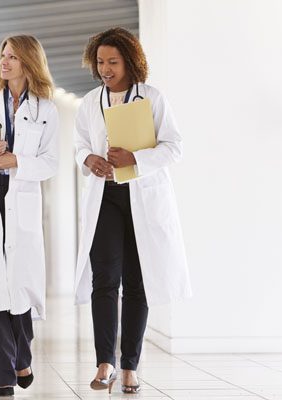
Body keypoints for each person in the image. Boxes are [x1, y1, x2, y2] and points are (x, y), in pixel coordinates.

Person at [73, 27, 192, 394]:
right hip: (105, 197)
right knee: (104, 280)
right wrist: (88, 158)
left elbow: (174, 147)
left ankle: (130, 367)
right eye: (100, 62)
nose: (105, 69)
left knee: (137, 282)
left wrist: (135, 159)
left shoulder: (152, 98)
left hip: (141, 196)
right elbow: (79, 144)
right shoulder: (91, 101)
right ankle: (104, 362)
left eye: (112, 61)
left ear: (130, 61)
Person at [0, 35, 58, 398]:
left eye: (13, 57)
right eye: (3, 55)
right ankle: (3, 376)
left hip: (21, 201)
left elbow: (50, 163)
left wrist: (18, 160)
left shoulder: (45, 108)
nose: (5, 62)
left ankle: (21, 356)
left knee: (18, 288)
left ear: (29, 63)